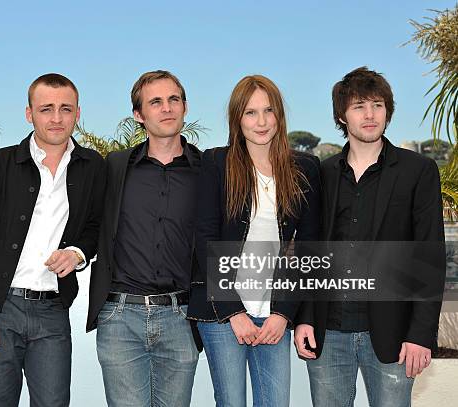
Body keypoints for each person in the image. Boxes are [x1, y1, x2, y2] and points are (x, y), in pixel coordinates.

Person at [294, 67, 445, 407]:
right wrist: (304, 317)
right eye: (359, 106)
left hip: (393, 335)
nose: (370, 114)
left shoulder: (418, 171)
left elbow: (429, 255)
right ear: (341, 115)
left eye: (378, 105)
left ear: (388, 111)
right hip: (328, 332)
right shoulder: (324, 173)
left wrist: (420, 335)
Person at [0, 73, 105, 407]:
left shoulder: (93, 166)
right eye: (46, 109)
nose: (56, 118)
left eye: (65, 109)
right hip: (1, 311)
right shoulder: (1, 163)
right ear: (30, 114)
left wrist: (78, 252)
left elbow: (97, 226)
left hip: (53, 312)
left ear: (77, 114)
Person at [187, 74, 321, 406]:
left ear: (280, 115)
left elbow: (308, 247)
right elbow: (205, 239)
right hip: (223, 312)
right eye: (250, 112)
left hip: (274, 314)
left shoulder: (305, 168)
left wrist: (284, 313)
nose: (261, 122)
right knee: (231, 402)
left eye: (268, 111)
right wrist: (234, 311)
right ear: (237, 118)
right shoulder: (217, 163)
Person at [87, 70, 201, 407]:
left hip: (181, 316)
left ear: (184, 107)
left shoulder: (208, 170)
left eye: (173, 100)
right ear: (139, 115)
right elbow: (90, 224)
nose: (166, 108)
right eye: (155, 102)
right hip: (120, 317)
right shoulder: (115, 166)